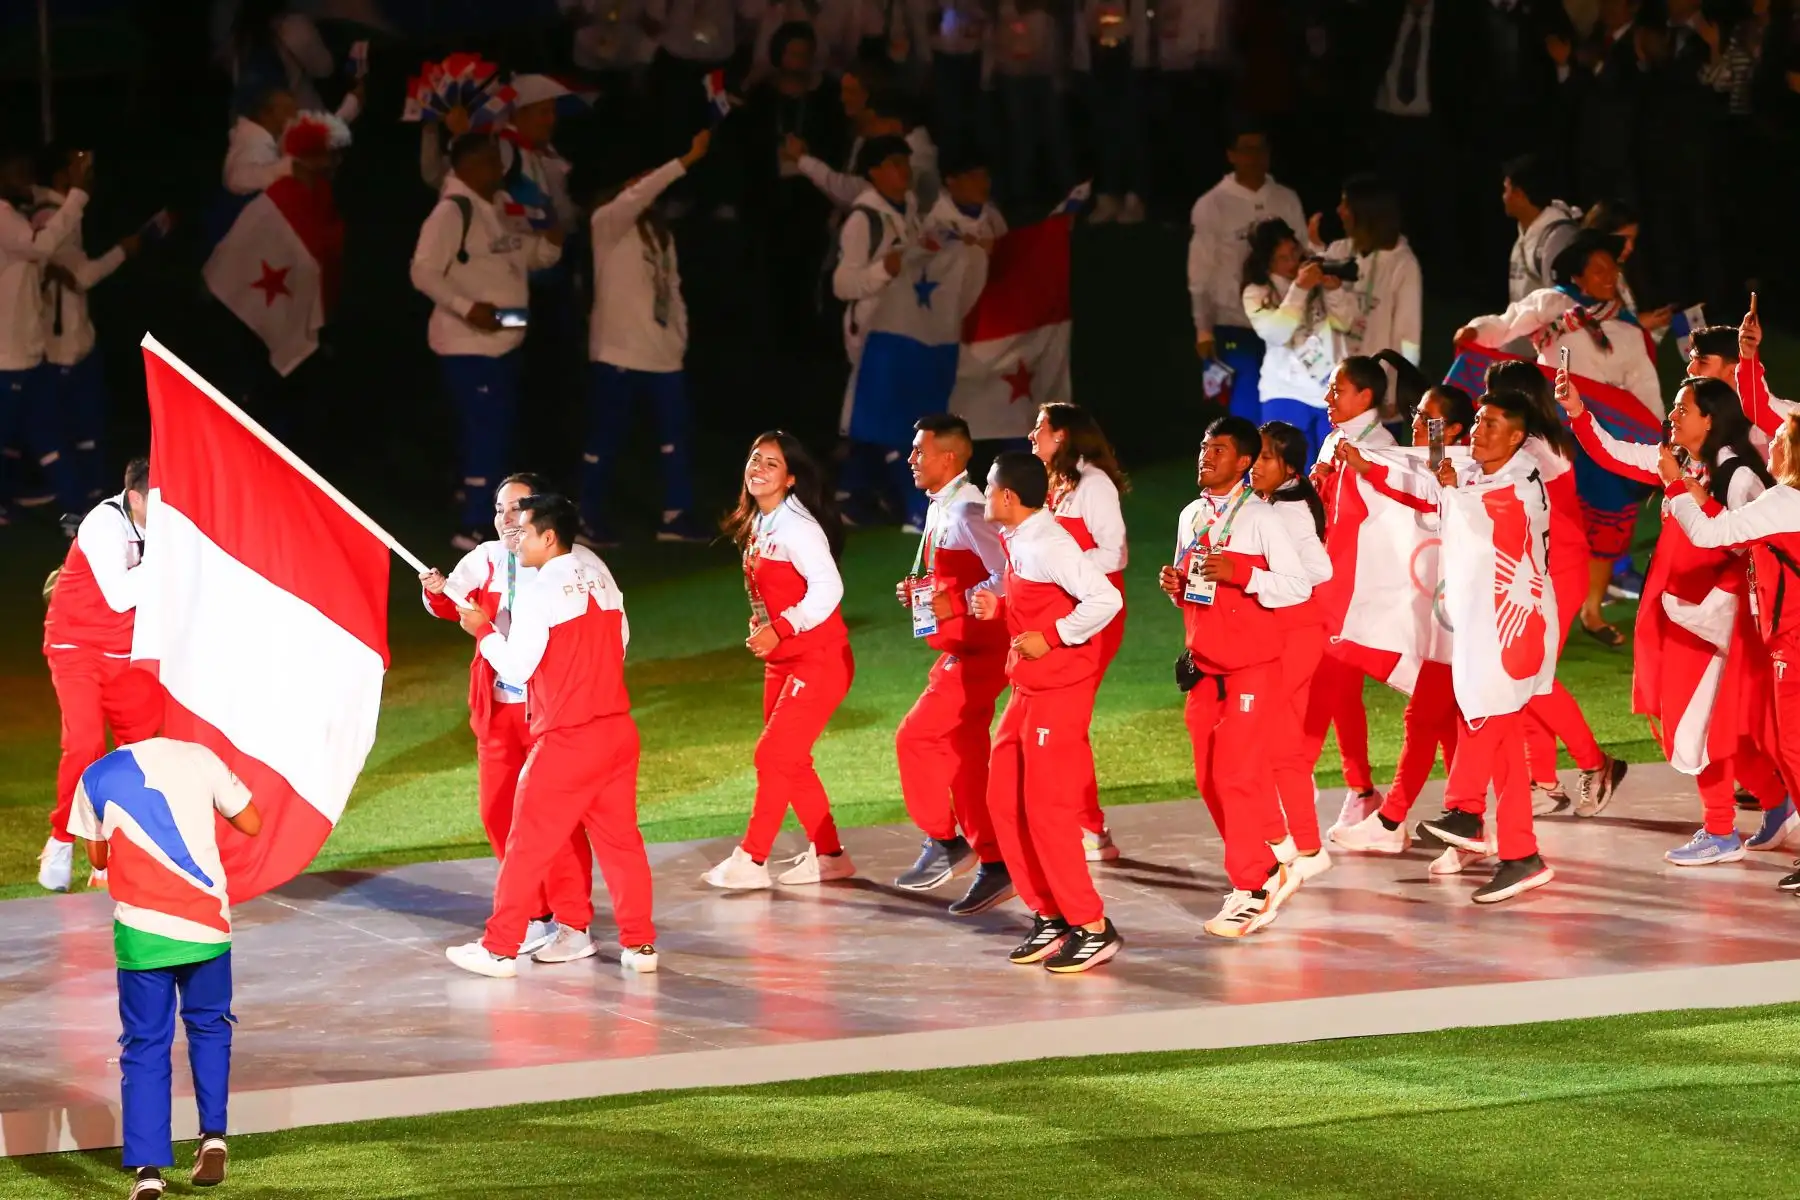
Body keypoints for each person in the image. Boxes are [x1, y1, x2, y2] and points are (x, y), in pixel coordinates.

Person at [1339, 392, 1563, 904]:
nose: (1478, 431)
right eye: (1478, 421)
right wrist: (1370, 469)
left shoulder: (1518, 485)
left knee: (1480, 718)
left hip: (1513, 629)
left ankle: (1464, 810)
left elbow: (1482, 511)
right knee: (1505, 749)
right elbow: (1433, 492)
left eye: (1491, 425)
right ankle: (1521, 855)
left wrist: (1449, 489)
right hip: (1489, 625)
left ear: (1516, 437)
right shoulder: (1485, 474)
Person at [1561, 374, 1792, 864]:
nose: (1672, 416)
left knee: (1700, 724)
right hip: (1680, 613)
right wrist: (1578, 412)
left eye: (1683, 409)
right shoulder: (1680, 460)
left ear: (1710, 420)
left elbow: (1744, 545)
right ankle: (1776, 803)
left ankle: (1720, 830)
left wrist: (1684, 491)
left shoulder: (1740, 477)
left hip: (1716, 623)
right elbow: (1612, 454)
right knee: (1719, 725)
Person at [445, 493, 658, 977]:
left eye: (523, 531)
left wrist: (482, 630)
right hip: (617, 731)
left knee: (526, 844)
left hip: (567, 739)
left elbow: (517, 667)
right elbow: (621, 641)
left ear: (548, 536)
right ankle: (641, 945)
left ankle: (499, 948)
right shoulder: (598, 572)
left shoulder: (540, 589)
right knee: (622, 843)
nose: (515, 539)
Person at [67, 734, 260, 1200]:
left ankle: (149, 1172)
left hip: (142, 936)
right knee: (210, 1029)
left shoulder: (95, 776)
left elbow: (97, 859)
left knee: (146, 1048)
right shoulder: (200, 757)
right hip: (207, 928)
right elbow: (251, 822)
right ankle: (213, 1137)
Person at [1454, 229, 1661, 645]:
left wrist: (1652, 434)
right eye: (1598, 269)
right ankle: (1532, 600)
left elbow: (1644, 388)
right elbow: (1508, 322)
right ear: (1578, 276)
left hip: (1603, 433)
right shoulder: (1553, 305)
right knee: (1547, 516)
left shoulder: (1627, 330)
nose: (1608, 277)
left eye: (1612, 269)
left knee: (1607, 517)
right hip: (1553, 431)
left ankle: (1592, 610)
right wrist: (1477, 334)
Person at [1159, 417, 1321, 937]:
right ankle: (1268, 866)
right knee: (1209, 780)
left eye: (1219, 450)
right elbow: (1198, 590)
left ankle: (1253, 887)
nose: (1205, 457)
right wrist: (1177, 587)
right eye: (1204, 447)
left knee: (1235, 774)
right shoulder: (1190, 516)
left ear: (1244, 461)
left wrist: (1242, 573)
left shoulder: (1261, 518)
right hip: (1204, 667)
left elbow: (1298, 586)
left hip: (1253, 668)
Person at [419, 474, 591, 961]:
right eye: (499, 509)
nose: (506, 518)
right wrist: (437, 591)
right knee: (497, 812)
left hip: (547, 711)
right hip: (497, 710)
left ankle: (573, 921)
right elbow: (449, 604)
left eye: (517, 507)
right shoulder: (488, 558)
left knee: (555, 820)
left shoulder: (564, 563)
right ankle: (536, 915)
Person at [970, 451, 1124, 972]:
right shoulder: (1020, 538)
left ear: (1008, 497)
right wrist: (1002, 609)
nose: (985, 495)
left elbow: (1104, 599)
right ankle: (1051, 914)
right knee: (1002, 800)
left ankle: (1092, 926)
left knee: (1047, 810)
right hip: (1028, 688)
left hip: (1059, 691)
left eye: (989, 487)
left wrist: (1055, 636)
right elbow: (1039, 602)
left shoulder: (1049, 544)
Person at [704, 432, 858, 889]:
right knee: (791, 761)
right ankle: (830, 856)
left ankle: (752, 859)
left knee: (772, 755)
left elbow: (829, 589)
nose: (758, 469)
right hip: (784, 660)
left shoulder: (798, 527)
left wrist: (783, 626)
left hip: (819, 660)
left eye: (772, 464)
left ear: (791, 478)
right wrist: (764, 623)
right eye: (755, 459)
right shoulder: (760, 521)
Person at [1329, 385, 1471, 857]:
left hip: (1469, 621)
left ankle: (1396, 820)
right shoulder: (1438, 466)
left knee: (1435, 718)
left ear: (1452, 429)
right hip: (1451, 620)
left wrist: (1367, 466)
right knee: (1446, 721)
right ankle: (1467, 823)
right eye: (1416, 413)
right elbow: (1418, 486)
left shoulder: (1468, 471)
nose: (1415, 422)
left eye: (1428, 418)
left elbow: (1422, 490)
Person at [1482, 359, 1627, 822]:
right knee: (1524, 676)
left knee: (1530, 678)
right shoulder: (1538, 443)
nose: (1486, 411)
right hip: (1535, 569)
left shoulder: (1532, 451)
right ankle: (1543, 781)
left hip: (1554, 571)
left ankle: (1596, 763)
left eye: (1494, 399)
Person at [409, 132, 564, 551]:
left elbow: (529, 257)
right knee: (485, 435)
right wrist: (467, 306)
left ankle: (480, 509)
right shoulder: (451, 211)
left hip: (505, 340)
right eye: (492, 161)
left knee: (494, 433)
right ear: (468, 165)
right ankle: (474, 527)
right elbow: (422, 271)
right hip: (469, 344)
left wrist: (552, 238)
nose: (500, 169)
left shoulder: (499, 205)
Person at [1664, 410, 1800, 874]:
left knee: (1791, 746)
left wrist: (1674, 487)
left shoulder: (1782, 501)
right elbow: (1737, 530)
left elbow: (1710, 536)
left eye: (1780, 438)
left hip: (1792, 642)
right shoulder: (1782, 503)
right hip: (1787, 639)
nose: (1771, 445)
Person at [892, 414, 1014, 912]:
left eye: (919, 451)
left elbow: (1009, 571)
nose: (910, 459)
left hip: (983, 650)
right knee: (965, 757)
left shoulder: (968, 510)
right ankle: (996, 863)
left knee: (916, 738)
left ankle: (945, 841)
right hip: (963, 646)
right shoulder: (943, 505)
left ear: (949, 457)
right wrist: (924, 593)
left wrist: (956, 601)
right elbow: (961, 574)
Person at [580, 130, 713, 547]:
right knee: (605, 438)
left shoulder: (660, 233)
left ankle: (676, 515)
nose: (646, 187)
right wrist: (685, 161)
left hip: (663, 355)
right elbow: (636, 197)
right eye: (639, 179)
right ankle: (586, 517)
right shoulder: (607, 223)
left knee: (676, 439)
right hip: (618, 352)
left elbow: (673, 290)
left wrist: (678, 340)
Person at [39, 458, 160, 893]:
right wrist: (171, 558)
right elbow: (122, 595)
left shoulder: (165, 525)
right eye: (160, 500)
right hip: (76, 647)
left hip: (126, 652)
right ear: (136, 497)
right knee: (86, 744)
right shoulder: (104, 524)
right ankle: (61, 840)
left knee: (139, 754)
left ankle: (113, 854)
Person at [1303, 356, 1399, 838]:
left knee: (1324, 684)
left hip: (1356, 589)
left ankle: (1294, 779)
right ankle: (1361, 791)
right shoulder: (1334, 439)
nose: (1327, 398)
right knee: (1337, 690)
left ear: (1365, 396)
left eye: (1336, 390)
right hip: (1326, 581)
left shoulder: (1382, 449)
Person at [1029, 402, 1128, 860]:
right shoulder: (1056, 484)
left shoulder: (1093, 484)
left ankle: (1089, 828)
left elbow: (1115, 553)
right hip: (1062, 616)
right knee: (1064, 722)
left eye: (1040, 428)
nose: (1032, 436)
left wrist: (1063, 569)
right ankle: (1085, 824)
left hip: (1093, 616)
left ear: (1063, 436)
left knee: (1068, 722)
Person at [32, 146, 147, 504]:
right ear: (60, 175)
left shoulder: (68, 214)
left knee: (88, 430)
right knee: (64, 431)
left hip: (79, 340)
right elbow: (81, 276)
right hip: (59, 346)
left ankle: (93, 500)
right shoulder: (49, 217)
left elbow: (75, 277)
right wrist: (123, 251)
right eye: (77, 163)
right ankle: (74, 505)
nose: (87, 167)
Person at [1186, 125, 1307, 423]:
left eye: (1261, 149)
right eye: (1246, 149)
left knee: (1288, 414)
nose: (1254, 157)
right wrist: (1203, 328)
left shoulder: (1286, 199)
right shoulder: (1212, 204)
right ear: (1231, 155)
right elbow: (1200, 272)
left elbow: (1302, 253)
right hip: (1236, 324)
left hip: (1287, 324)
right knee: (1247, 413)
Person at [828, 134, 920, 526]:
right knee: (888, 409)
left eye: (905, 162)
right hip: (871, 327)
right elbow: (842, 285)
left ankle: (851, 495)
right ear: (874, 172)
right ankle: (912, 503)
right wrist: (885, 269)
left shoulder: (909, 206)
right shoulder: (863, 219)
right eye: (895, 164)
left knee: (874, 410)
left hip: (902, 322)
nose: (904, 171)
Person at [0, 146, 87, 519]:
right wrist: (78, 193)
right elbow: (41, 245)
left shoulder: (14, 217)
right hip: (8, 357)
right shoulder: (3, 217)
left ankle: (76, 513)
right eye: (17, 171)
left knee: (47, 435)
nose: (26, 179)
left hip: (26, 354)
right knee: (30, 435)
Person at [1240, 216, 1346, 462]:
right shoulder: (1256, 292)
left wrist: (1333, 288)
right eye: (1282, 258)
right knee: (1288, 471)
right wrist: (1300, 288)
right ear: (1266, 261)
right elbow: (1278, 333)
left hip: (1328, 390)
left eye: (1293, 253)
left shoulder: (1316, 275)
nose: (1291, 262)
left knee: (1332, 470)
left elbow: (1346, 322)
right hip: (1284, 391)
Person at [1317, 173, 1424, 369]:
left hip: (1377, 378)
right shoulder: (1338, 251)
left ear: (1366, 213)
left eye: (1346, 205)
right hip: (1336, 374)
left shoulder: (1402, 264)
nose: (1339, 210)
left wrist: (1402, 380)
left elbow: (1407, 334)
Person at [986, 0, 1074, 211]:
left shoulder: (1048, 15)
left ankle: (1065, 191)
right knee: (1019, 134)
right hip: (1012, 70)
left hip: (1045, 68)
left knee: (1053, 133)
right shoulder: (1005, 9)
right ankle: (1021, 194)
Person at [1071, 0, 1149, 223]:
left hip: (1125, 61)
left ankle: (1134, 197)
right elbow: (1082, 23)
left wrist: (1140, 63)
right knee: (1102, 132)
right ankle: (1107, 195)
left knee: (1129, 131)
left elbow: (1139, 23)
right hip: (1096, 60)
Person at [1501, 153, 1582, 303]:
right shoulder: (1525, 235)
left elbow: (1561, 303)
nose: (1504, 197)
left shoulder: (1558, 238)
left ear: (1519, 194)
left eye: (1506, 190)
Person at [923, 151, 1007, 244]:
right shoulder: (936, 224)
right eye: (974, 177)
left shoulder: (993, 215)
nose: (982, 183)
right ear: (950, 180)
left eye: (985, 176)